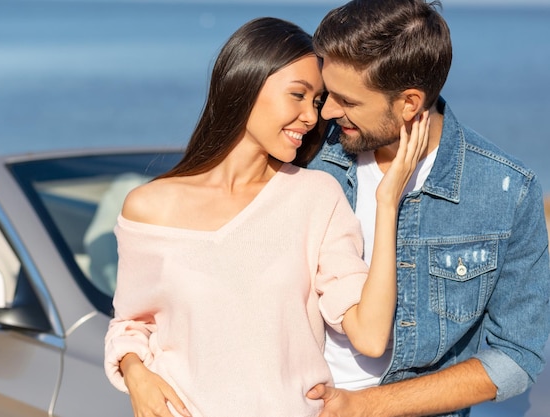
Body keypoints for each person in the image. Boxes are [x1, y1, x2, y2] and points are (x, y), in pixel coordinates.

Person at [104, 17, 428, 417]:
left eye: (316, 101)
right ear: (245, 83)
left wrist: (388, 203)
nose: (312, 117)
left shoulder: (315, 198)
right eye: (298, 94)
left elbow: (372, 335)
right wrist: (137, 376)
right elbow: (130, 325)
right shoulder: (149, 208)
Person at [305, 1, 550, 416]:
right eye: (326, 93)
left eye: (346, 100)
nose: (325, 111)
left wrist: (366, 407)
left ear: (409, 103)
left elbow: (516, 356)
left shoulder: (505, 191)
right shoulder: (306, 154)